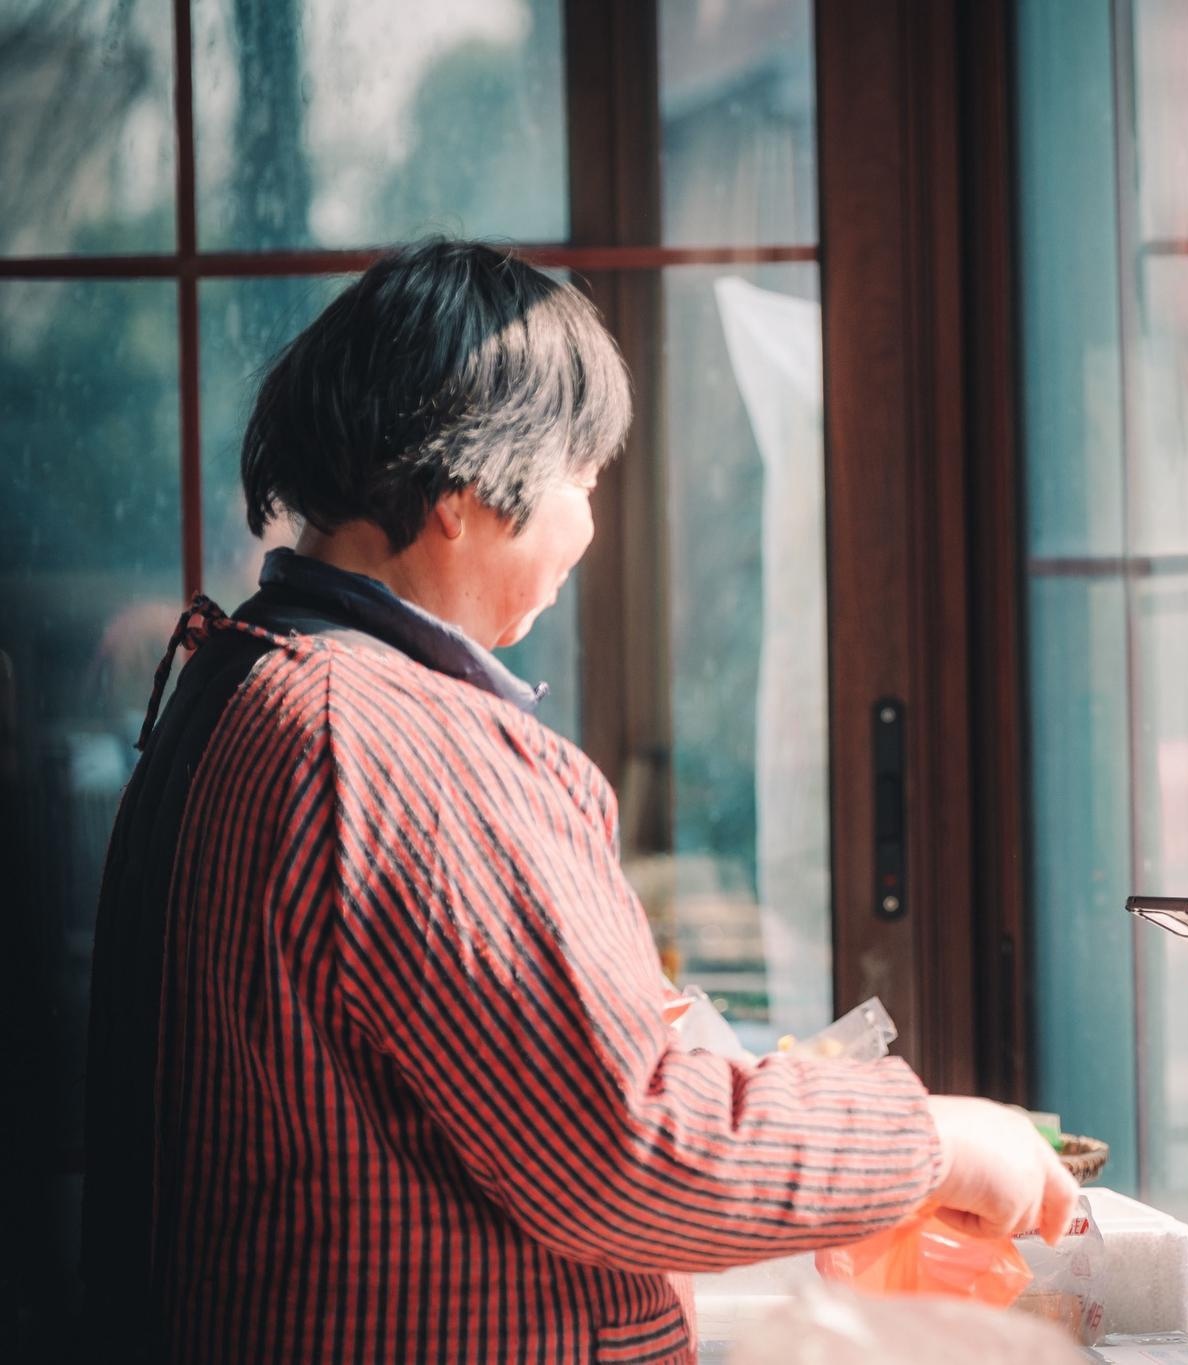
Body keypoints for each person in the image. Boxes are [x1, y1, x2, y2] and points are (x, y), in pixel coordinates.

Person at [83, 239, 1074, 1363]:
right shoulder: (389, 738)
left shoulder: (248, 676)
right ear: (460, 489)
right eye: (580, 483)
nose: (587, 530)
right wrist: (930, 1140)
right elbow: (629, 1141)